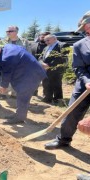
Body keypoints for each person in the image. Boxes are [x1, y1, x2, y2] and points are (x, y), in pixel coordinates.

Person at [44, 16, 90, 149]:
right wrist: (87, 81)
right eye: (85, 27)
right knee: (71, 113)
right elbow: (78, 67)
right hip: (84, 85)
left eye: (88, 25)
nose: (87, 28)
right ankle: (63, 140)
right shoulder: (79, 45)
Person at [0, 43, 47, 124]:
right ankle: (18, 115)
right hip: (26, 72)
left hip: (31, 75)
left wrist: (3, 86)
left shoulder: (7, 57)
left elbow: (7, 73)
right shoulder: (7, 47)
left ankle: (19, 118)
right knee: (21, 95)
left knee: (23, 96)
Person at [39, 34, 70, 104]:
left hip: (57, 69)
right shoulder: (46, 47)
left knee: (56, 84)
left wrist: (49, 65)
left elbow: (62, 58)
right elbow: (40, 57)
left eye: (48, 40)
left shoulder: (63, 45)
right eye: (45, 41)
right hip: (45, 69)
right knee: (46, 83)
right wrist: (42, 63)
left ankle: (57, 100)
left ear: (54, 38)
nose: (46, 42)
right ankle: (47, 98)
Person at [30, 32, 51, 96]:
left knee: (46, 81)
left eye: (44, 36)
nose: (42, 37)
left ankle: (45, 94)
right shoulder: (33, 45)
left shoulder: (50, 46)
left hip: (45, 65)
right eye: (41, 35)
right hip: (34, 65)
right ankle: (34, 92)